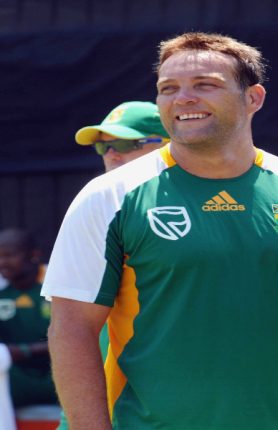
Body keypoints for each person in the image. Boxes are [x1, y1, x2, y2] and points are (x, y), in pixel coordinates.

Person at [43, 32, 278, 429]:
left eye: (204, 85)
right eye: (168, 88)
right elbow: (71, 328)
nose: (183, 98)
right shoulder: (108, 197)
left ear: (253, 98)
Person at [56, 101, 169, 430]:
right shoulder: (97, 207)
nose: (112, 154)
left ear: (169, 142)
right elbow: (69, 329)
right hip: (100, 411)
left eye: (126, 143)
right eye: (103, 146)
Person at [0, 229, 57, 430]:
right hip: (14, 376)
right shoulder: (2, 291)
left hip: (57, 372)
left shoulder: (57, 285)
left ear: (34, 255)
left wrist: (24, 351)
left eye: (9, 255)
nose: (2, 262)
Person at [74, 101, 170, 172]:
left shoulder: (178, 190)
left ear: (167, 145)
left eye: (124, 144)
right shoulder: (98, 191)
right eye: (102, 146)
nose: (110, 156)